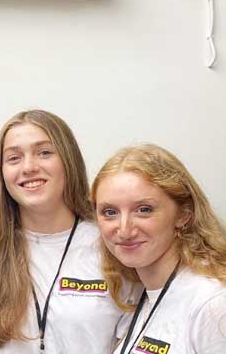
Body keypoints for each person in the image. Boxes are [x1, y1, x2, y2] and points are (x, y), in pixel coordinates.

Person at [0, 109, 126, 353]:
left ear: (68, 161)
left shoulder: (112, 244)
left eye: (44, 153)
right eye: (14, 158)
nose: (28, 167)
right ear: (2, 173)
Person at [92, 144, 226, 354]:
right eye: (110, 212)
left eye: (143, 210)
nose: (125, 230)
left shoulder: (212, 302)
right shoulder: (147, 294)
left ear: (184, 214)